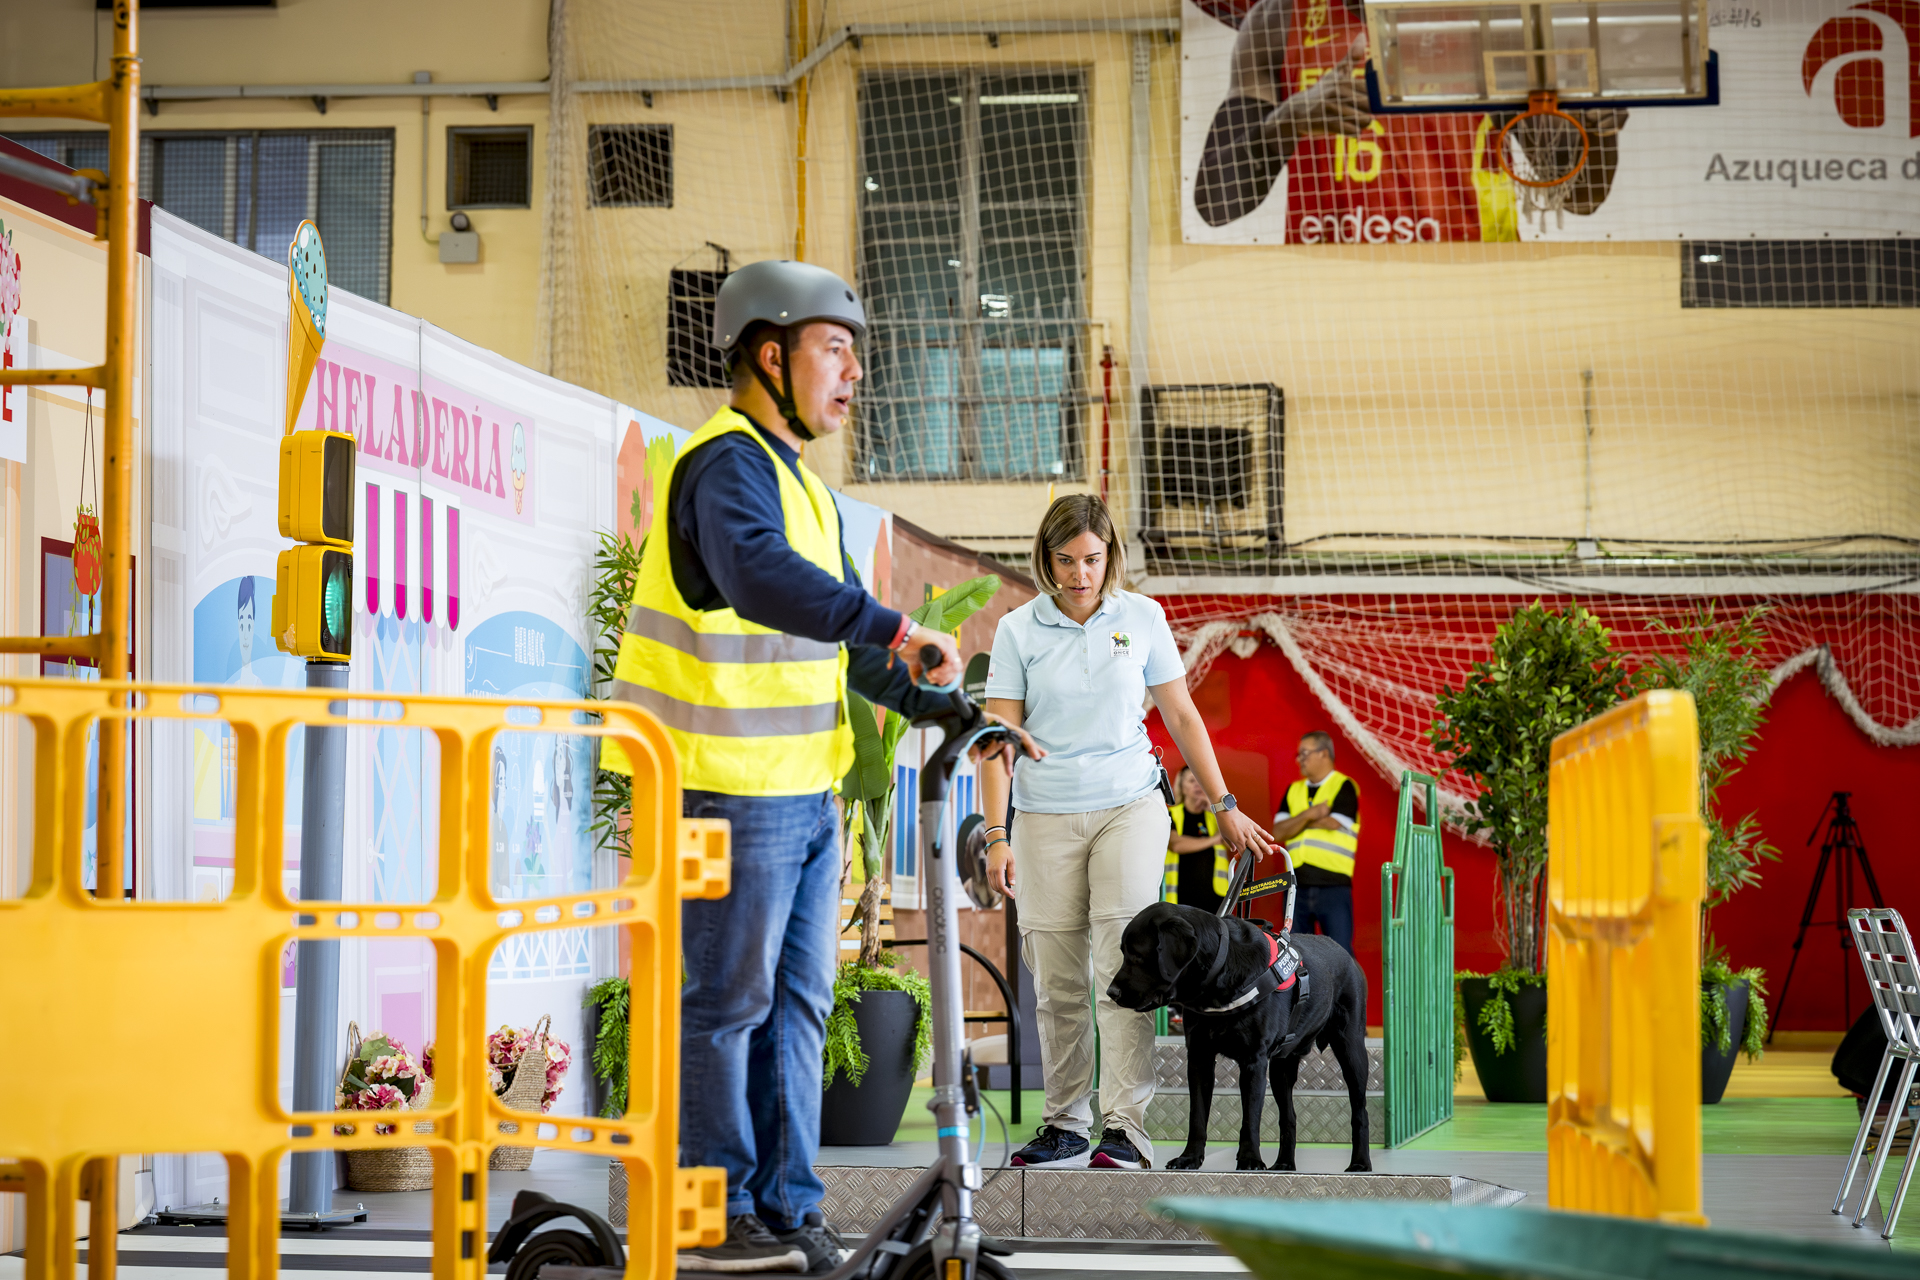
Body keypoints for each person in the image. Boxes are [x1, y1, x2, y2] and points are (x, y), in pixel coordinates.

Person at [603, 260, 1019, 1274]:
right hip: (721, 786)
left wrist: (952, 709)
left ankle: (786, 1206)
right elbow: (759, 579)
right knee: (729, 1005)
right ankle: (713, 1212)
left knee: (795, 1007)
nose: (854, 372)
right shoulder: (723, 465)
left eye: (854, 353)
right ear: (767, 353)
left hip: (799, 794)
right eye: (835, 348)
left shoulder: (808, 491)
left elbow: (847, 649)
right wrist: (895, 623)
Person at [979, 494, 1275, 1173]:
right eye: (1065, 560)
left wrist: (1225, 803)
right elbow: (998, 743)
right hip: (1044, 815)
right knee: (1057, 980)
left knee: (1124, 965)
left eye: (1091, 559)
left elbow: (1183, 715)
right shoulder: (1018, 629)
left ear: (1109, 554)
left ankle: (1125, 1128)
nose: (1079, 574)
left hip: (1129, 805)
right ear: (1045, 559)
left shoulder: (1142, 617)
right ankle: (1064, 1122)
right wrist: (997, 836)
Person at [1192, 0, 1629, 239]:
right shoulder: (1276, 18)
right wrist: (1288, 122)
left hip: (1474, 279)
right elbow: (1215, 204)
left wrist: (1599, 127)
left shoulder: (1487, 17)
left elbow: (1581, 196)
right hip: (1330, 285)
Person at [1270, 731, 1361, 954]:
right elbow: (1278, 831)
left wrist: (1296, 822)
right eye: (1298, 754)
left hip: (1333, 885)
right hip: (1295, 885)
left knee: (1340, 954)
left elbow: (1333, 823)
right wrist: (1311, 814)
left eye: (1305, 753)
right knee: (1294, 953)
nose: (1299, 759)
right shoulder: (1293, 789)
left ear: (1324, 754)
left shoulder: (1344, 786)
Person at [1162, 766, 1229, 916]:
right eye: (1192, 781)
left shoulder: (1214, 817)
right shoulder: (1170, 814)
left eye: (1200, 781)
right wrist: (1214, 840)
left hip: (1215, 896)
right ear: (1182, 787)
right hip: (1180, 896)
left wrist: (1214, 810)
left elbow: (1231, 844)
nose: (1197, 785)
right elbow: (1176, 845)